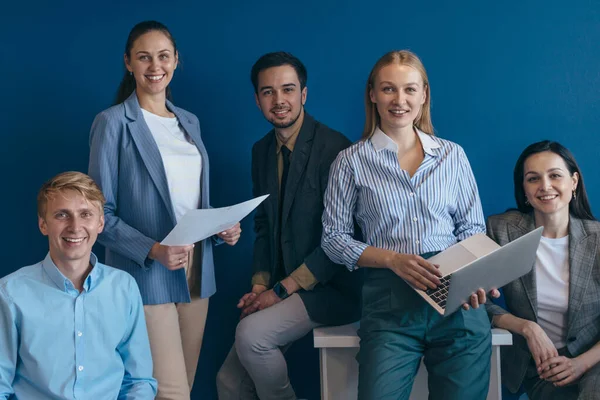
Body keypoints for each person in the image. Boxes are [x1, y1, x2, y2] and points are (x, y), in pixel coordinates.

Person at [321, 50, 497, 400]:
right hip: (389, 307)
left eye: (409, 90)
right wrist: (392, 260)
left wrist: (475, 276)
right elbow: (333, 239)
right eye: (388, 89)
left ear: (424, 95)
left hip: (458, 304)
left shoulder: (452, 155)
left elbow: (472, 229)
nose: (399, 100)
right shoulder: (350, 161)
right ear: (372, 94)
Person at [88, 21, 241, 400]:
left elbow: (193, 203)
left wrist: (220, 229)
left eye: (163, 56)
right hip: (145, 273)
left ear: (175, 61)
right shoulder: (112, 123)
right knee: (171, 392)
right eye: (143, 57)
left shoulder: (189, 122)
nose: (154, 66)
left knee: (182, 385)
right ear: (129, 63)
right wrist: (154, 250)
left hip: (197, 270)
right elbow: (98, 214)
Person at [216, 51, 362, 400]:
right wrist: (259, 285)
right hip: (282, 284)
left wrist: (279, 292)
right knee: (229, 382)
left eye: (288, 89)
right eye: (268, 92)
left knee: (252, 337)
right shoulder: (260, 151)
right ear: (257, 99)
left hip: (333, 288)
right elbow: (264, 227)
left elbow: (342, 240)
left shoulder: (336, 148)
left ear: (304, 94)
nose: (279, 100)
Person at [0, 171, 157, 399]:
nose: (75, 226)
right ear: (43, 224)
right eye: (62, 215)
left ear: (100, 223)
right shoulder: (10, 294)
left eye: (86, 215)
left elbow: (138, 381)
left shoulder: (124, 288)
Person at [486, 140, 600, 400]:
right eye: (533, 178)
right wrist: (527, 328)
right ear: (524, 190)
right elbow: (471, 296)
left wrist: (581, 363)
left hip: (594, 359)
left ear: (574, 182)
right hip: (542, 369)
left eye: (555, 175)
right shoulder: (501, 230)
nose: (545, 186)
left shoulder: (597, 239)